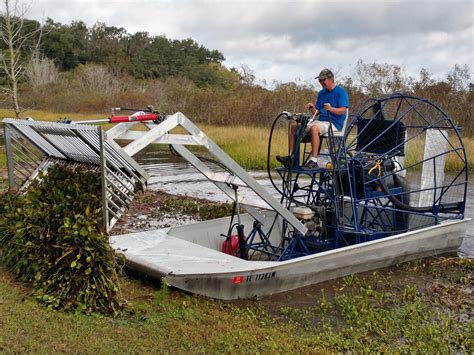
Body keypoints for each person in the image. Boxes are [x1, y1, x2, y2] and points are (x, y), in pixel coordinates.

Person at [277, 69, 349, 170]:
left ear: (331, 79)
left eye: (323, 80)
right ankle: (291, 158)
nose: (321, 83)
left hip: (334, 123)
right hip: (320, 122)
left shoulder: (341, 92)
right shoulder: (321, 93)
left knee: (314, 128)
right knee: (294, 126)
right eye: (320, 81)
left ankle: (314, 161)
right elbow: (317, 112)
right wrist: (312, 108)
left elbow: (343, 111)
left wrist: (331, 109)